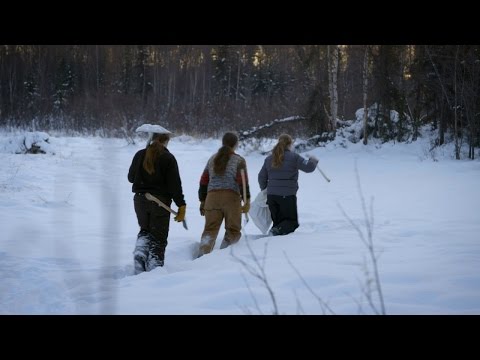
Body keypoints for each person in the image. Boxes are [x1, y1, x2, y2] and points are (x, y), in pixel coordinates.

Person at [128, 127, 186, 273]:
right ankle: (154, 269)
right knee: (158, 238)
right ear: (165, 140)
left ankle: (140, 253)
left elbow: (130, 178)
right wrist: (181, 205)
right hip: (159, 203)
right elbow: (174, 185)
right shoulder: (168, 158)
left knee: (145, 230)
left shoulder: (139, 154)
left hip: (140, 201)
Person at [197, 132, 250, 257]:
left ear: (223, 143)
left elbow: (204, 181)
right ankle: (224, 259)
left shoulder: (212, 159)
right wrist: (246, 200)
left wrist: (203, 200)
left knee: (210, 230)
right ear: (236, 144)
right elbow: (243, 182)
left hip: (212, 199)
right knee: (232, 231)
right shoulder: (239, 160)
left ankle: (201, 257)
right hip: (231, 199)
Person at [258, 134, 318, 236]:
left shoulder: (269, 159)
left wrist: (266, 190)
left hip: (272, 196)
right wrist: (313, 160)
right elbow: (308, 168)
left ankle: (275, 242)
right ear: (290, 144)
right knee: (291, 222)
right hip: (287, 196)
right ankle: (275, 234)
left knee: (278, 223)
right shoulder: (294, 157)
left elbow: (261, 177)